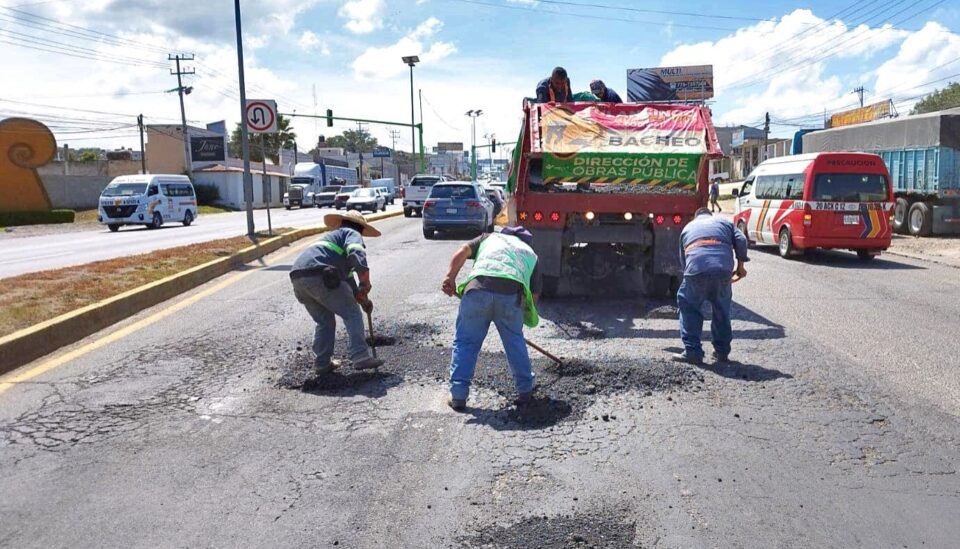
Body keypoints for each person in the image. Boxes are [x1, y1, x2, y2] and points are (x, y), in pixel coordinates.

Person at [441, 227, 542, 411]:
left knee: (466, 343)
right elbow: (533, 298)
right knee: (514, 343)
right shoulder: (530, 254)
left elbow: (463, 251)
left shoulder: (489, 238)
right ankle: (525, 391)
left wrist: (450, 277)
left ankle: (458, 395)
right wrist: (517, 323)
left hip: (477, 292)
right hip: (510, 296)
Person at [289, 210, 384, 373]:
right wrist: (365, 280)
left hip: (298, 277)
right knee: (352, 313)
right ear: (360, 228)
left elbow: (348, 281)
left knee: (324, 321)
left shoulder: (334, 242)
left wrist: (363, 300)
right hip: (321, 274)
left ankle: (322, 363)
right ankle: (360, 357)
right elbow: (356, 252)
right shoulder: (352, 233)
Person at [673, 208, 749, 365]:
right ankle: (721, 353)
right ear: (710, 215)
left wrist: (692, 280)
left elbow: (684, 263)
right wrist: (740, 266)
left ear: (696, 216)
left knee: (689, 306)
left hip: (696, 270)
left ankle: (693, 351)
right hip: (723, 271)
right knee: (722, 310)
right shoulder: (724, 222)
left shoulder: (688, 227)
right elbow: (741, 240)